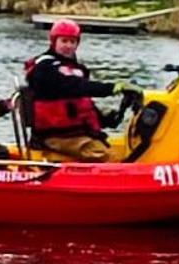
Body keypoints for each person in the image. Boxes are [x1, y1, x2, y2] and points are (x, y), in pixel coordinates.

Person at [23, 19, 142, 161]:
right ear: (54, 42)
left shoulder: (77, 69)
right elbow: (73, 86)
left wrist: (106, 119)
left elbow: (81, 101)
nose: (68, 46)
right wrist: (111, 88)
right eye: (64, 41)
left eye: (72, 42)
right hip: (56, 136)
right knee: (110, 159)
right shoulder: (44, 68)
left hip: (76, 134)